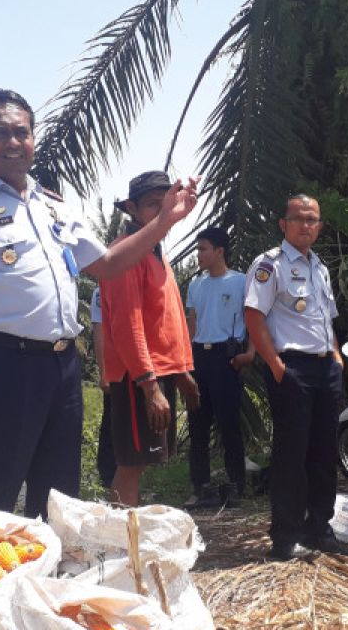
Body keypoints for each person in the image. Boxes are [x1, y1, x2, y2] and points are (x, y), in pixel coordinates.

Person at [0, 90, 198, 519]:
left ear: (33, 138)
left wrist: (165, 221)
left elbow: (107, 265)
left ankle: (48, 580)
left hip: (61, 368)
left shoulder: (53, 206)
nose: (13, 142)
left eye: (22, 132)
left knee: (57, 498)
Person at [244, 194, 345, 561]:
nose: (306, 225)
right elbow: (254, 315)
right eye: (299, 219)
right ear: (283, 224)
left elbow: (326, 319)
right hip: (292, 369)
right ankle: (284, 536)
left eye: (313, 219)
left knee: (323, 452)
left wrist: (335, 356)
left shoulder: (320, 268)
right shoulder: (269, 265)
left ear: (319, 226)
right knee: (291, 453)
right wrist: (275, 364)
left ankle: (319, 526)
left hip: (324, 369)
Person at [100, 171, 200, 507]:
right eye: (152, 204)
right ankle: (117, 545)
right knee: (130, 464)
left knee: (140, 463)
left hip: (157, 372)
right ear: (131, 207)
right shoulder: (128, 255)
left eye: (166, 202)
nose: (162, 210)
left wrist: (182, 372)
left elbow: (165, 322)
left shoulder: (156, 251)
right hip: (136, 377)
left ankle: (127, 540)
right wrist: (149, 387)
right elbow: (127, 325)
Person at [185, 226, 255, 509]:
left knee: (229, 425)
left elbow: (254, 318)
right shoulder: (195, 285)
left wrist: (249, 353)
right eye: (197, 249)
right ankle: (200, 488)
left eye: (203, 249)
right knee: (197, 425)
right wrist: (185, 363)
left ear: (219, 251)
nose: (199, 254)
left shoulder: (240, 282)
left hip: (227, 358)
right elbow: (191, 322)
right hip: (199, 357)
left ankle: (236, 486)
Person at [90, 287, 116, 491]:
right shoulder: (102, 290)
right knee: (111, 421)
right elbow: (99, 330)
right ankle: (109, 477)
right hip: (116, 366)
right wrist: (103, 371)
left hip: (141, 368)